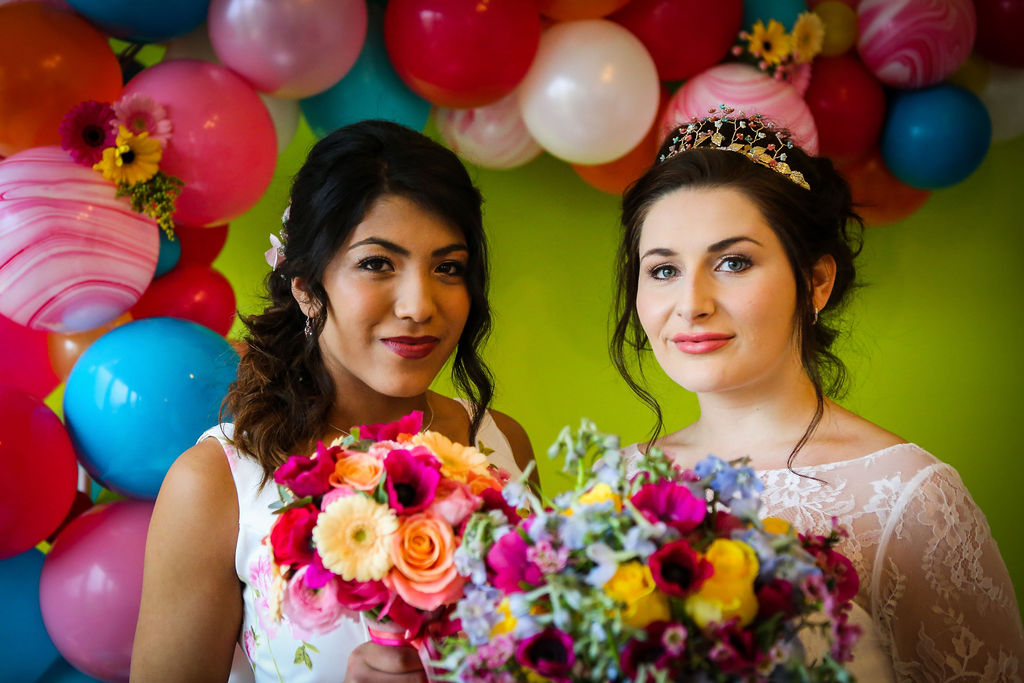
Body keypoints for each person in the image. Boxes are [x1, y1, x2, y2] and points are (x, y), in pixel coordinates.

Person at [611, 108, 1024, 680]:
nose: (691, 303)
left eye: (732, 262)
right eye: (662, 270)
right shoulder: (619, 485)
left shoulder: (908, 501)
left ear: (816, 282)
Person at [130, 120, 534, 683]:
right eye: (376, 263)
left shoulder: (502, 443)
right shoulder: (219, 483)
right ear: (305, 287)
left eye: (448, 267)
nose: (419, 305)